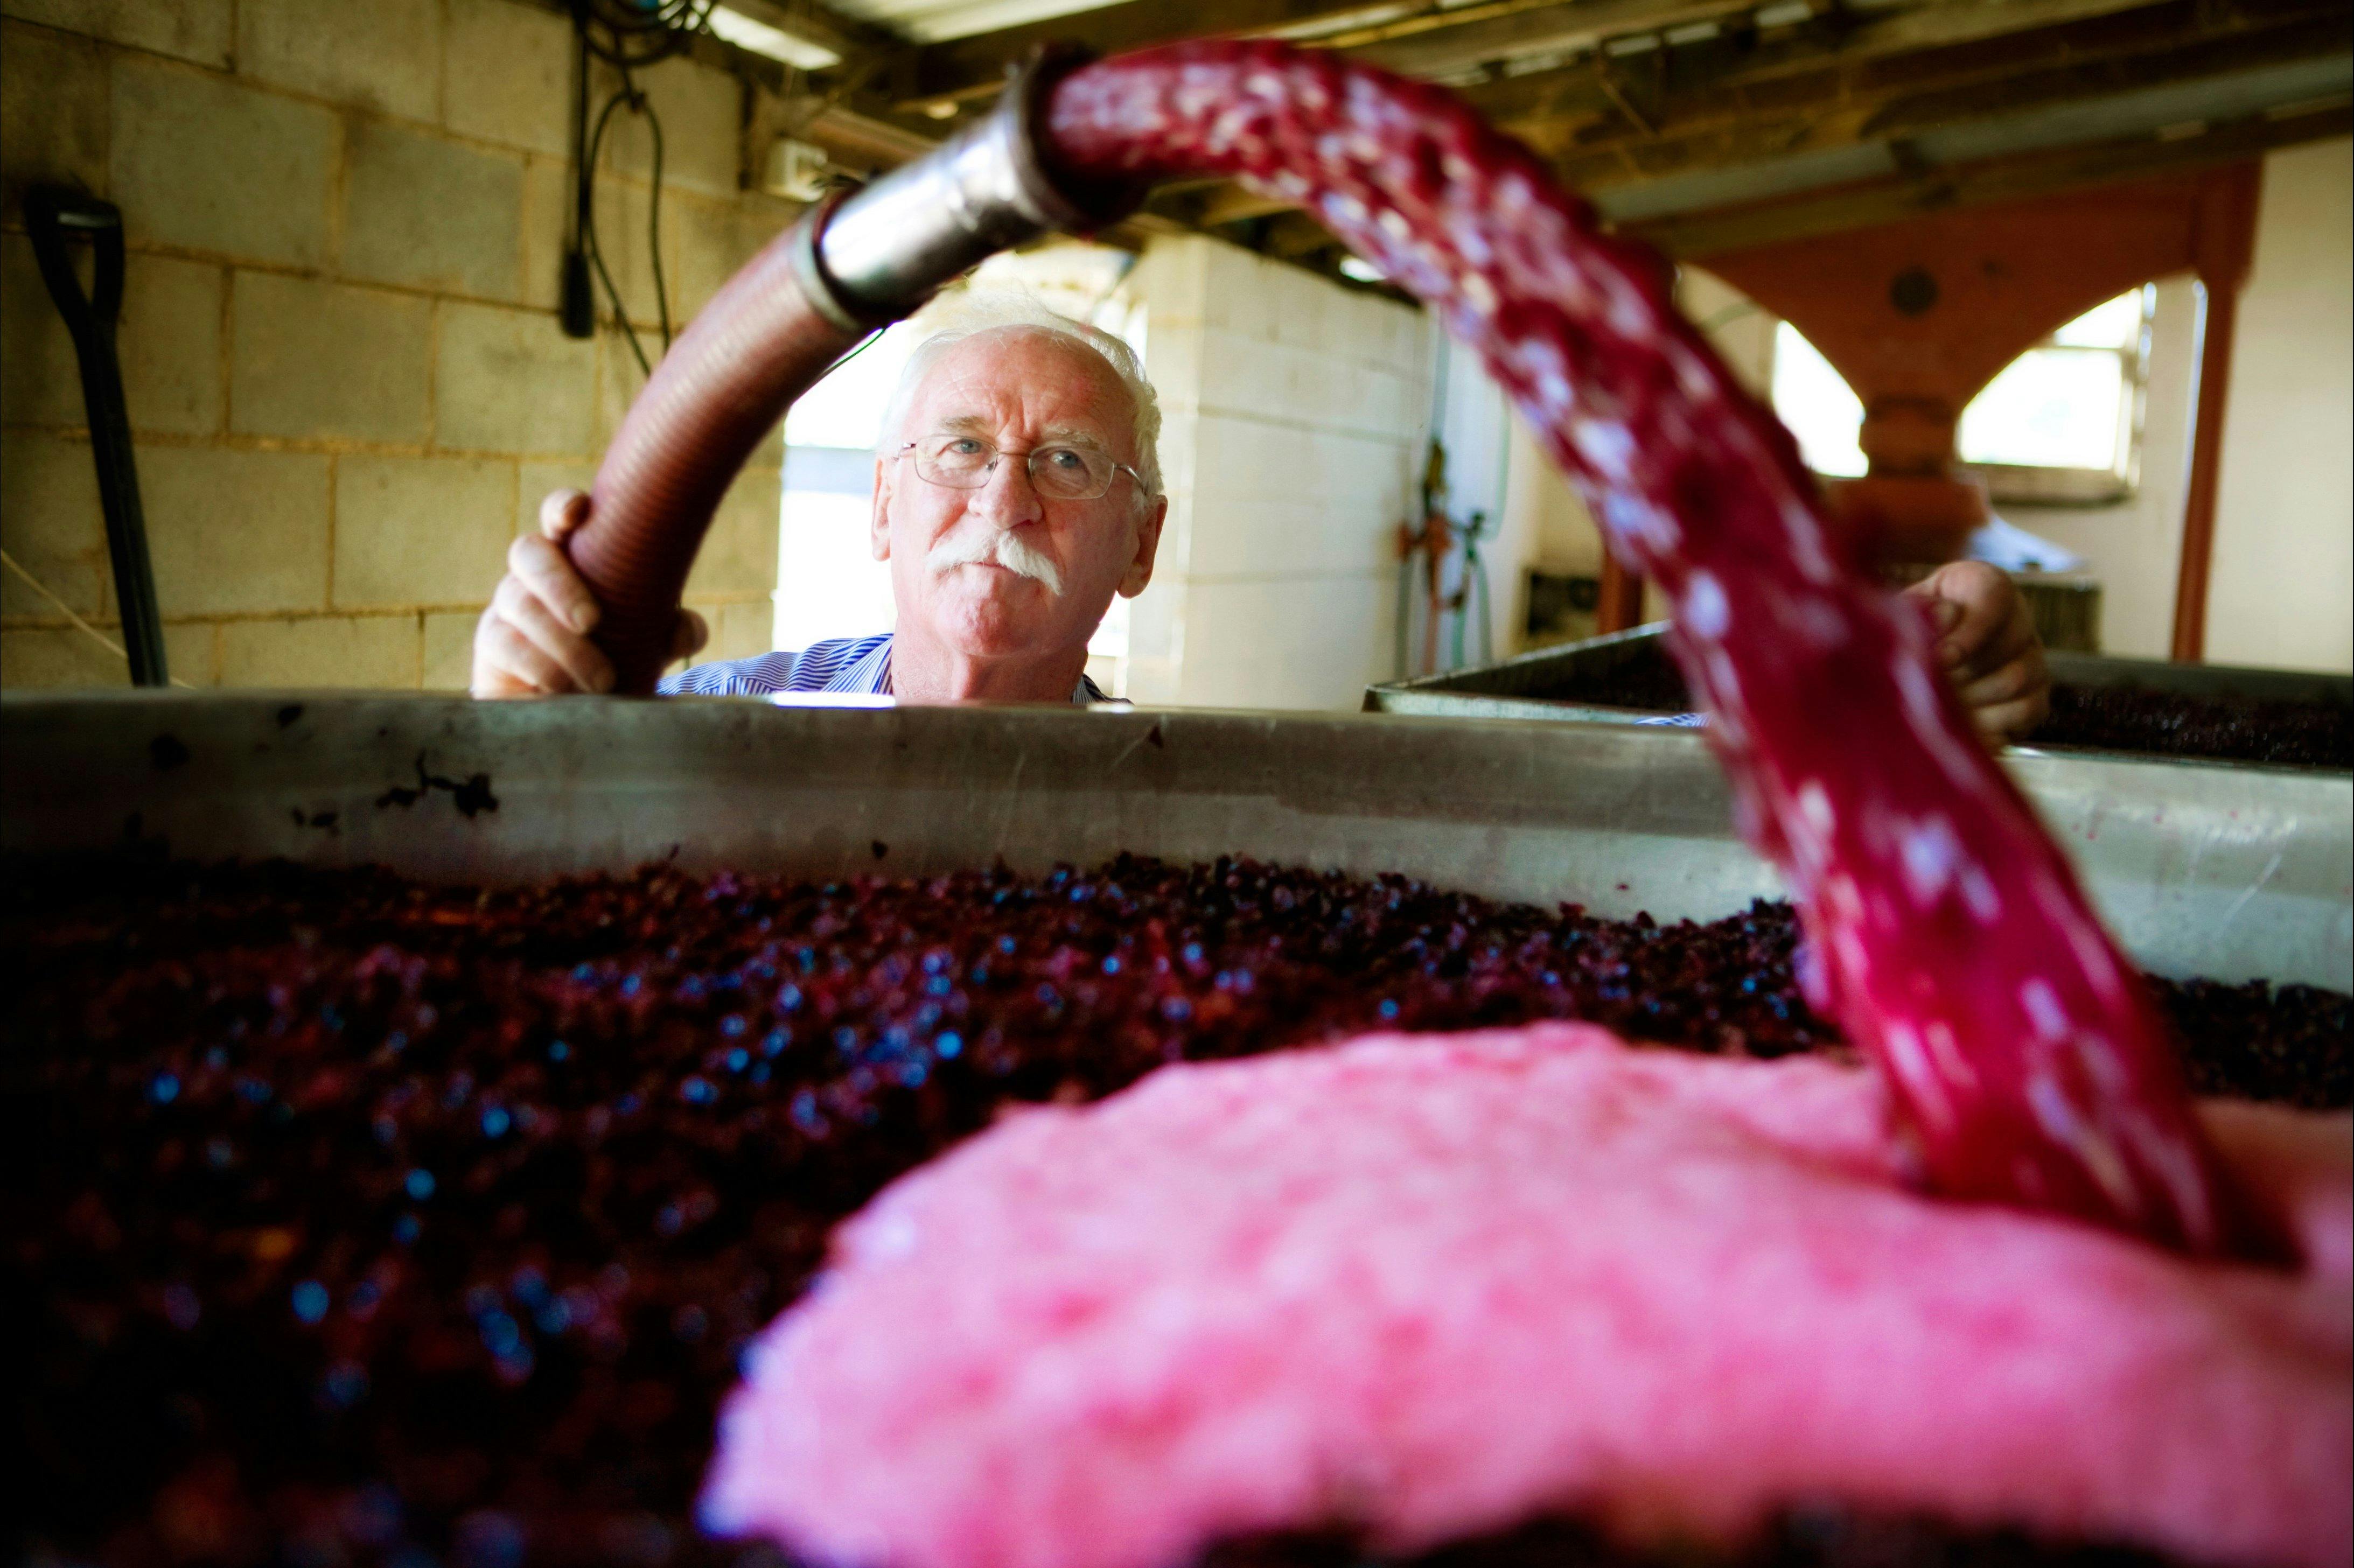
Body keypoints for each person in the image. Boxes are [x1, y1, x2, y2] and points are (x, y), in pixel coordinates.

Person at [471, 292, 2050, 738]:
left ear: (1141, 548)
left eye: (1071, 466)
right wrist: (515, 704)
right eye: (957, 451)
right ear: (882, 510)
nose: (1006, 495)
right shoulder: (699, 730)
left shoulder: (1177, 809)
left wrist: (1930, 673)